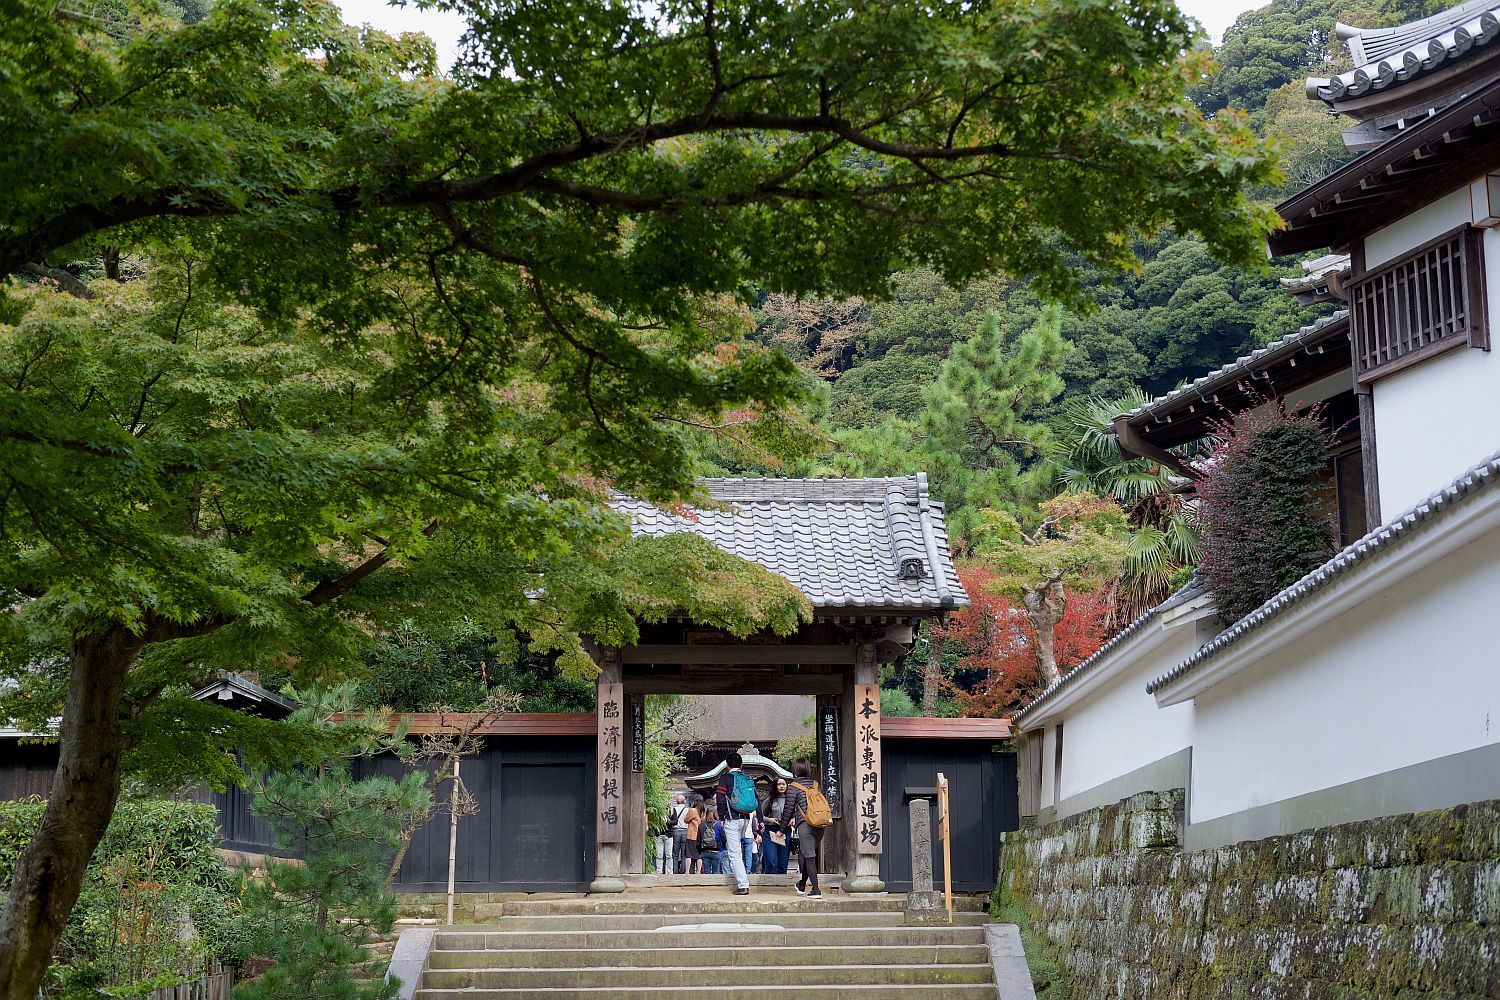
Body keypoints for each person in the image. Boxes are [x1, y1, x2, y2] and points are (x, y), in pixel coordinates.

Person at [780, 757, 826, 898]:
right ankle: (801, 884)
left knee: (809, 857)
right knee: (805, 853)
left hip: (805, 824)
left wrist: (781, 830)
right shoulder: (816, 785)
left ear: (795, 769)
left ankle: (816, 890)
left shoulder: (793, 786)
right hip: (820, 823)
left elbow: (788, 810)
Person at [713, 751, 754, 895]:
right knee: (739, 851)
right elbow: (756, 799)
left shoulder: (725, 778)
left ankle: (743, 885)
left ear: (727, 765)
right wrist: (759, 820)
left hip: (732, 819)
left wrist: (722, 817)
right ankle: (743, 878)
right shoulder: (747, 777)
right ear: (741, 764)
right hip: (746, 818)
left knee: (734, 853)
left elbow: (720, 797)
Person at [761, 777, 790, 875]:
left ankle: (782, 885)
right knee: (771, 859)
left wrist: (793, 820)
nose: (781, 786)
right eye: (779, 784)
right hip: (771, 831)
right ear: (775, 786)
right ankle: (770, 882)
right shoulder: (769, 799)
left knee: (783, 861)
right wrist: (769, 820)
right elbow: (760, 815)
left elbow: (797, 814)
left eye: (783, 784)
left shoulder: (791, 800)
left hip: (785, 831)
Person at [684, 794, 706, 875]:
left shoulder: (692, 810)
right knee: (698, 855)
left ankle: (687, 871)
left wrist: (690, 807)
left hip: (691, 835)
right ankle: (698, 871)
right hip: (699, 835)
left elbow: (686, 820)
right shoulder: (703, 811)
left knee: (689, 854)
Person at [668, 793, 689, 874]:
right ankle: (683, 870)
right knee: (684, 853)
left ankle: (675, 870)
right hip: (685, 831)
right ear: (684, 801)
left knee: (675, 853)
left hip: (676, 831)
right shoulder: (687, 810)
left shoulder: (674, 809)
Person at [698, 804, 721, 874]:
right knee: (716, 871)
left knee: (706, 871)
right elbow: (722, 837)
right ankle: (715, 884)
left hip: (704, 851)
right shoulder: (718, 824)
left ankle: (707, 884)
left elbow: (698, 839)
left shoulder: (701, 825)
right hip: (716, 850)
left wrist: (699, 850)